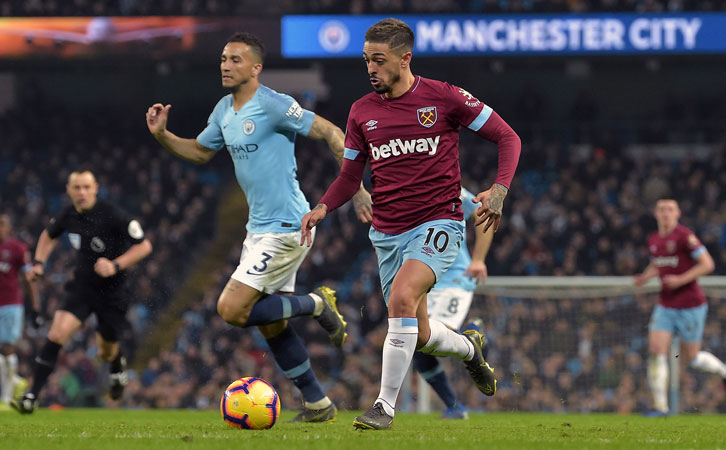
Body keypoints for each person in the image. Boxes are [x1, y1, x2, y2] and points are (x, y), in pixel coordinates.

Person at [300, 18, 521, 429]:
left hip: (439, 223)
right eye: (366, 60)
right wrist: (323, 208)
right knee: (417, 333)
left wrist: (499, 188)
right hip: (387, 233)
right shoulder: (361, 111)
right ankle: (471, 350)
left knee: (402, 298)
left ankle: (384, 406)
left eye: (379, 60)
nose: (370, 68)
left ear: (405, 58)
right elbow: (350, 177)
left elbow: (508, 137)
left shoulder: (443, 97)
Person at [145, 32, 372, 423]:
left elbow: (333, 133)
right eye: (222, 58)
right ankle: (318, 403)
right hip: (259, 229)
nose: (225, 65)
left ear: (255, 68)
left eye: (234, 59)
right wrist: (163, 136)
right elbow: (200, 151)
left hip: (287, 224)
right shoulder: (223, 110)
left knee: (231, 309)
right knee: (271, 323)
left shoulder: (274, 105)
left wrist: (357, 188)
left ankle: (317, 303)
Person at [12, 168, 153, 414]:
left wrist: (115, 265)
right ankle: (31, 396)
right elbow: (48, 235)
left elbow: (144, 247)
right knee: (56, 335)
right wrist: (39, 263)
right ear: (69, 190)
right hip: (82, 288)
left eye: (87, 187)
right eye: (77, 187)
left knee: (105, 350)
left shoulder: (113, 215)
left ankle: (117, 363)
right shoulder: (68, 214)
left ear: (96, 188)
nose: (82, 192)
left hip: (113, 292)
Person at [634, 198, 725, 416]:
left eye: (670, 209)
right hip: (666, 304)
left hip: (691, 305)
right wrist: (645, 276)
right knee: (656, 350)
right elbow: (660, 261)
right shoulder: (654, 239)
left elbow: (707, 264)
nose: (666, 213)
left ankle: (723, 371)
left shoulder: (685, 237)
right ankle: (660, 407)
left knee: (692, 360)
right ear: (655, 214)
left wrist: (681, 279)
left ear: (678, 213)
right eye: (662, 210)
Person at [413, 187, 493, 419]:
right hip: (423, 280)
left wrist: (478, 259)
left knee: (435, 340)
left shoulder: (447, 187)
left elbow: (481, 211)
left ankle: (474, 336)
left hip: (454, 279)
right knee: (417, 346)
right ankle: (454, 407)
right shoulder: (399, 189)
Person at [0, 214, 39, 411]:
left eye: (2, 225)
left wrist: (35, 306)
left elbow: (28, 278)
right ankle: (14, 382)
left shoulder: (17, 248)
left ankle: (6, 399)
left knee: (7, 348)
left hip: (11, 305)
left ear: (8, 228)